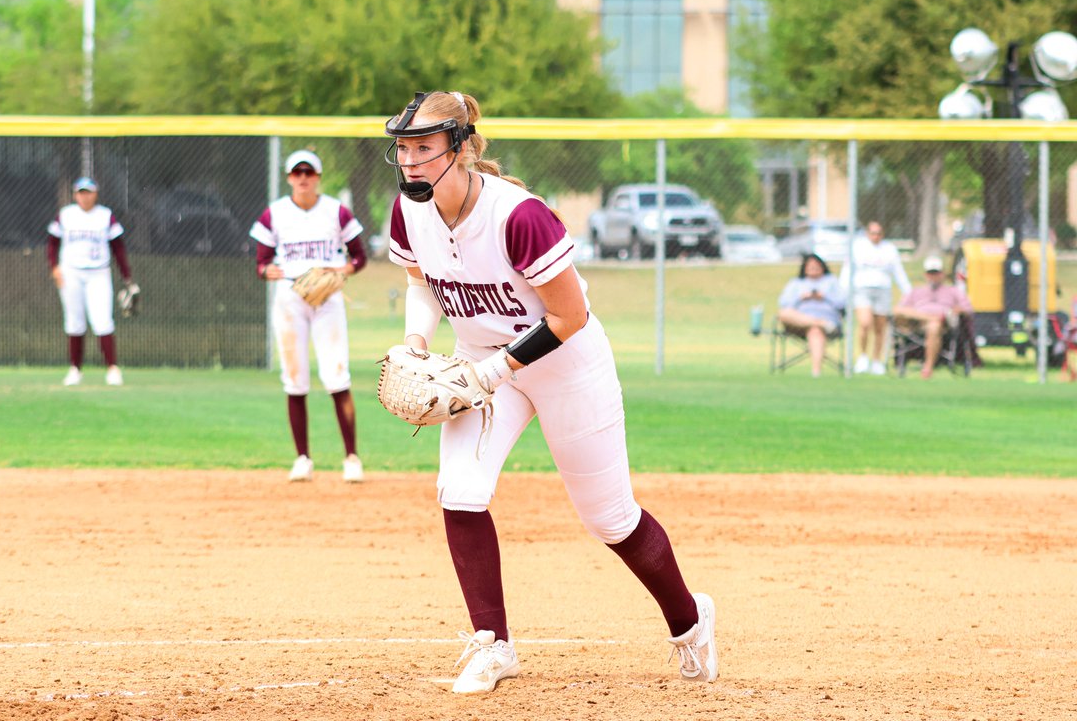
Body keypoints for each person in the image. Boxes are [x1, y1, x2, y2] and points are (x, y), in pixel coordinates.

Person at [382, 91, 717, 694]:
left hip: (565, 366)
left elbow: (570, 317)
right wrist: (414, 341)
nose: (409, 161)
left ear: (461, 148)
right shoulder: (409, 213)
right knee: (461, 492)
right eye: (402, 149)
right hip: (481, 364)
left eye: (424, 147)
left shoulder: (519, 216)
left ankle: (690, 624)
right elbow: (420, 280)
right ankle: (493, 645)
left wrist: (491, 373)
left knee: (610, 519)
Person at [249, 150, 367, 483]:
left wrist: (344, 270)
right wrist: (265, 270)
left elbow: (359, 256)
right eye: (297, 172)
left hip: (327, 297)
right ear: (289, 177)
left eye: (309, 172)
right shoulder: (275, 213)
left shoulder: (336, 211)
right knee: (295, 378)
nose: (303, 177)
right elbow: (261, 261)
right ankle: (303, 458)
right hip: (290, 297)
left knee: (337, 375)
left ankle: (351, 458)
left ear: (318, 176)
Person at [47, 177, 134, 387]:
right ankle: (75, 369)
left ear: (95, 194)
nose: (85, 196)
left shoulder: (105, 216)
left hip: (99, 273)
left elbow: (118, 248)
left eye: (89, 192)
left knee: (103, 320)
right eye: (81, 192)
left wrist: (127, 277)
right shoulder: (66, 215)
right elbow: (52, 243)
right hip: (71, 272)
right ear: (75, 194)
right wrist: (55, 267)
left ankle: (112, 369)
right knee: (74, 321)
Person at [843, 221, 911, 375]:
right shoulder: (858, 246)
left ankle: (876, 360)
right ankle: (862, 356)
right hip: (862, 289)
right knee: (865, 323)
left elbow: (898, 271)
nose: (876, 236)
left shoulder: (889, 249)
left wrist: (908, 291)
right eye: (873, 233)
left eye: (879, 233)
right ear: (867, 233)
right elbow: (847, 269)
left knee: (880, 328)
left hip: (883, 290)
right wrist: (844, 290)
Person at [893, 255, 973, 379]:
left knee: (934, 326)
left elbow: (968, 309)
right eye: (930, 273)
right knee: (902, 313)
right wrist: (927, 317)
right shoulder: (915, 292)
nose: (933, 276)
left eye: (936, 273)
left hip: (944, 325)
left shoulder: (954, 291)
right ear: (925, 274)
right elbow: (898, 310)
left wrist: (954, 311)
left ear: (943, 274)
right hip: (916, 324)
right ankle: (929, 319)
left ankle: (928, 368)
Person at [776, 253, 846, 377]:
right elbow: (784, 303)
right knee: (783, 313)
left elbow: (842, 303)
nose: (813, 268)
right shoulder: (796, 283)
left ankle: (816, 372)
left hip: (827, 319)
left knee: (815, 331)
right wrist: (801, 297)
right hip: (799, 322)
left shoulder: (832, 281)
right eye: (810, 266)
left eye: (816, 266)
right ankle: (820, 323)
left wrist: (824, 297)